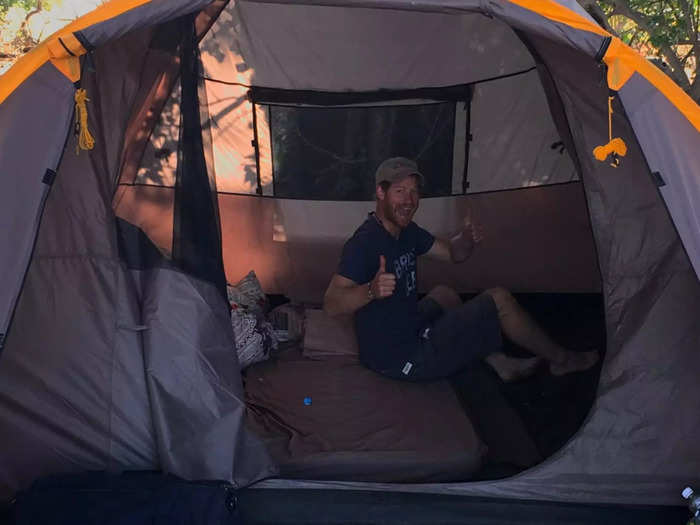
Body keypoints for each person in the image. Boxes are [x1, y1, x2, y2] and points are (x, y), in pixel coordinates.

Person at [323, 157, 599, 382]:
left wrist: (465, 239)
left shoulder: (406, 231)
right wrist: (371, 290)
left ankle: (498, 361)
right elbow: (332, 304)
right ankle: (563, 361)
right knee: (499, 299)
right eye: (399, 191)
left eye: (414, 191)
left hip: (407, 326)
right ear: (380, 193)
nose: (409, 200)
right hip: (398, 358)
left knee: (445, 293)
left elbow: (454, 254)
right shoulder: (364, 244)